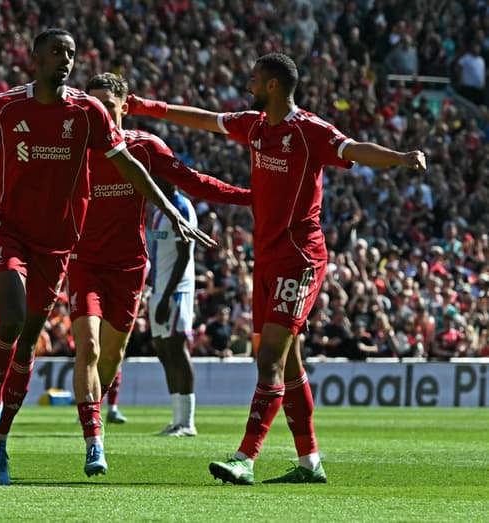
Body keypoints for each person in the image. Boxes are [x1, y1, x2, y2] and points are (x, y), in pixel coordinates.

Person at [0, 28, 212, 485]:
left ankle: (1, 445)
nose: (65, 60)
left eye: (71, 53)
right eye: (56, 52)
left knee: (28, 341)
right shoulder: (6, 107)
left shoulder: (88, 111)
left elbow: (128, 163)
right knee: (11, 320)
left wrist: (169, 207)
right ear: (33, 58)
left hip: (57, 244)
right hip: (8, 230)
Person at [129, 52, 426, 484]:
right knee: (287, 365)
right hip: (266, 259)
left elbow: (353, 149)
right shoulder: (253, 125)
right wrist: (148, 108)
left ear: (271, 85)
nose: (247, 80)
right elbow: (207, 119)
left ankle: (245, 458)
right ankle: (310, 462)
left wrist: (399, 157)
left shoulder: (309, 131)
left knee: (268, 358)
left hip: (300, 258)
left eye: (254, 76)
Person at [68, 72, 251, 473]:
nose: (99, 115)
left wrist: (251, 197)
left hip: (130, 266)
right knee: (90, 347)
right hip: (84, 263)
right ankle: (93, 440)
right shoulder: (74, 147)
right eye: (92, 107)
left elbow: (194, 182)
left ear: (123, 107)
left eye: (107, 108)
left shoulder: (145, 148)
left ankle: (100, 410)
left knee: (112, 355)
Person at [148, 177, 199, 438]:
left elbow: (184, 255)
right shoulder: (159, 211)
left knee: (177, 348)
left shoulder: (182, 208)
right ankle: (177, 418)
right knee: (164, 351)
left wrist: (168, 295)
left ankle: (188, 422)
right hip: (157, 289)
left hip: (176, 290)